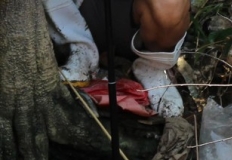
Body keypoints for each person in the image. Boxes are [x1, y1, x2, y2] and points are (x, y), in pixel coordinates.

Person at [41, 0, 190, 117]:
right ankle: (79, 50)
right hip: (74, 12)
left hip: (134, 21)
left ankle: (150, 65)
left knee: (170, 3)